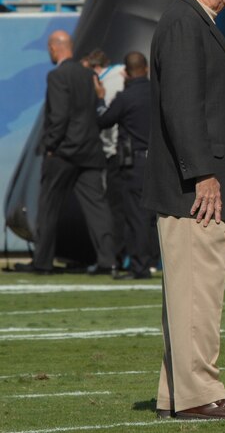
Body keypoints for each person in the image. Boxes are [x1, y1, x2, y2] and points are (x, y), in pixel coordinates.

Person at [141, 0, 225, 420]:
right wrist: (204, 174)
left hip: (196, 187)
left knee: (192, 294)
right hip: (195, 192)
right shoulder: (185, 22)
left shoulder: (192, 21)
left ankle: (177, 394)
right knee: (198, 296)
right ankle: (199, 396)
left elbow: (206, 98)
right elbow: (183, 106)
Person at [13, 30, 116, 275]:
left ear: (53, 48)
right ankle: (107, 260)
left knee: (48, 207)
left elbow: (58, 117)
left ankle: (43, 262)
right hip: (90, 151)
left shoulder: (57, 76)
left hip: (63, 153)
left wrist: (50, 146)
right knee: (97, 208)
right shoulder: (89, 75)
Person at [95, 51, 156, 279]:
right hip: (157, 162)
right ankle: (152, 261)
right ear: (147, 69)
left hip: (134, 163)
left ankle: (139, 266)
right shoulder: (157, 93)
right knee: (153, 217)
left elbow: (103, 120)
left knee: (135, 216)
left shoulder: (125, 97)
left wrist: (100, 98)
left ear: (126, 73)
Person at [85, 49, 127, 268]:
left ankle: (118, 257)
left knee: (116, 207)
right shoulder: (123, 72)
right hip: (130, 150)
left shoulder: (106, 84)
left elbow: (106, 119)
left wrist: (99, 101)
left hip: (116, 153)